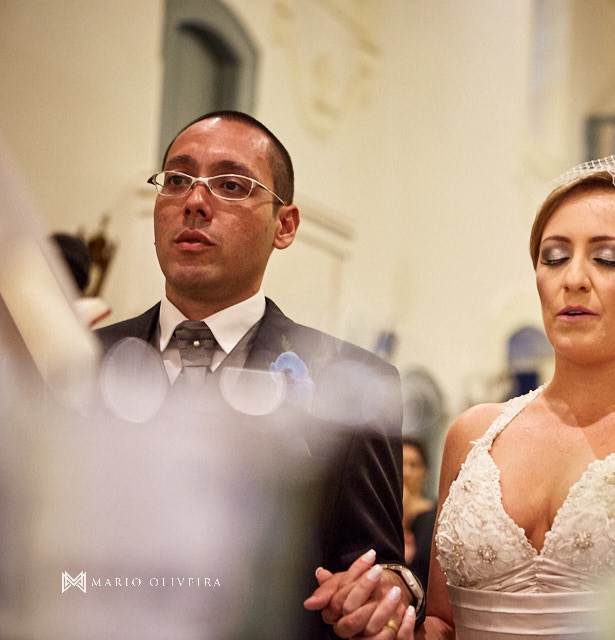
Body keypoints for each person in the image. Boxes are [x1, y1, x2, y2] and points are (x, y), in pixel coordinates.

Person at [94, 110, 420, 639]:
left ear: (284, 226)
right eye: (177, 180)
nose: (195, 202)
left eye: (230, 184)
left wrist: (385, 593)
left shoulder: (352, 381)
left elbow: (376, 566)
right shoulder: (83, 362)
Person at [410, 138, 615, 638]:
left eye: (607, 258)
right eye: (554, 257)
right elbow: (440, 621)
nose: (574, 279)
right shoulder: (472, 435)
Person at [402, 437, 438, 588]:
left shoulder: (436, 515)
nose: (406, 472)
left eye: (414, 465)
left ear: (425, 472)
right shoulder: (378, 515)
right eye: (400, 463)